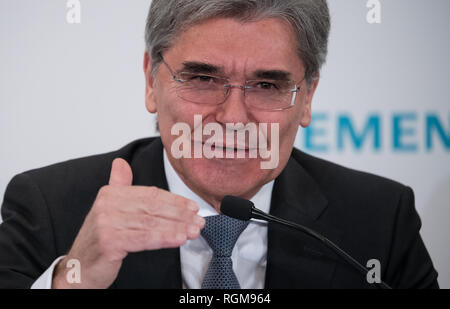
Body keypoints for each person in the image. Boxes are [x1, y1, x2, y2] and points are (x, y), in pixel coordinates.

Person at [0, 0, 439, 289]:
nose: (232, 118)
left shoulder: (379, 219)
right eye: (203, 79)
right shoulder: (51, 208)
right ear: (151, 79)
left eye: (267, 84)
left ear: (307, 97)